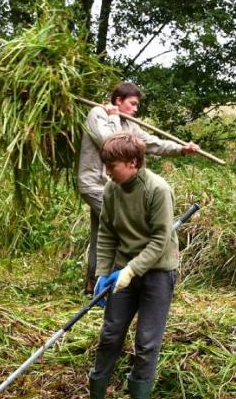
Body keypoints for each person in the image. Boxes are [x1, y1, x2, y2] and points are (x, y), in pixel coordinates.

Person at [78, 133, 180, 399]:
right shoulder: (111, 189)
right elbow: (107, 233)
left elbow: (161, 240)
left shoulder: (157, 190)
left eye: (113, 165)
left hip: (158, 272)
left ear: (133, 162)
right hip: (122, 271)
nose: (108, 171)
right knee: (110, 334)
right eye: (105, 164)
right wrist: (102, 273)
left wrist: (132, 270)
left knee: (147, 341)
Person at [76, 81, 199, 295]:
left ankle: (93, 283)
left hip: (112, 185)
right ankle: (120, 284)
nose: (135, 109)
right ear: (118, 101)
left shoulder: (130, 124)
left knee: (100, 233)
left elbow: (150, 143)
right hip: (95, 185)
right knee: (114, 229)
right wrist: (113, 116)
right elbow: (110, 143)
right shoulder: (98, 114)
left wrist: (181, 149)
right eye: (132, 104)